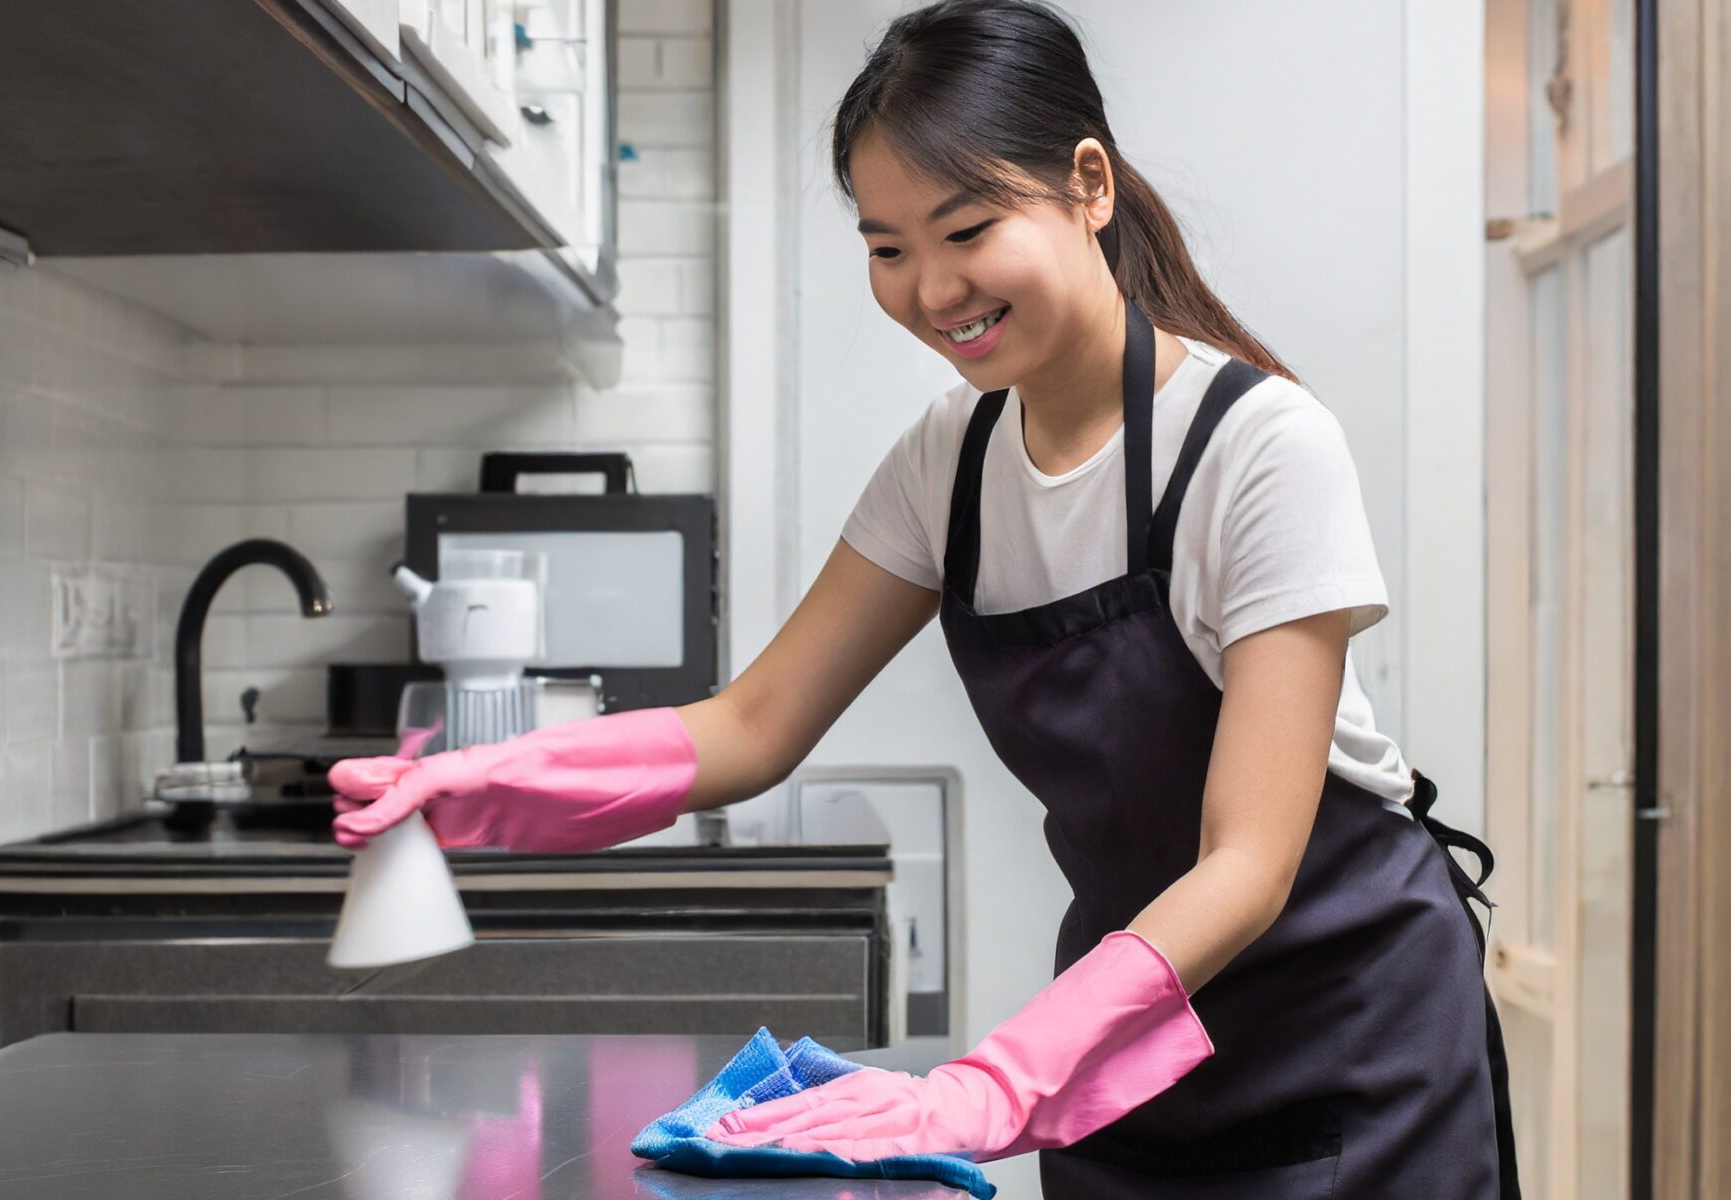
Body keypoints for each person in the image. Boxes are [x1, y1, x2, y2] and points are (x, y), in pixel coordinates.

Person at [328, 1, 1518, 1195]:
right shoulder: (947, 464)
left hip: (1345, 1038)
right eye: (886, 248)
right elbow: (750, 727)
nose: (932, 289)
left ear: (1087, 185)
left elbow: (1246, 862)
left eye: (967, 228)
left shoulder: (1257, 447)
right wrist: (476, 786)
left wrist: (988, 1083)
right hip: (1122, 1044)